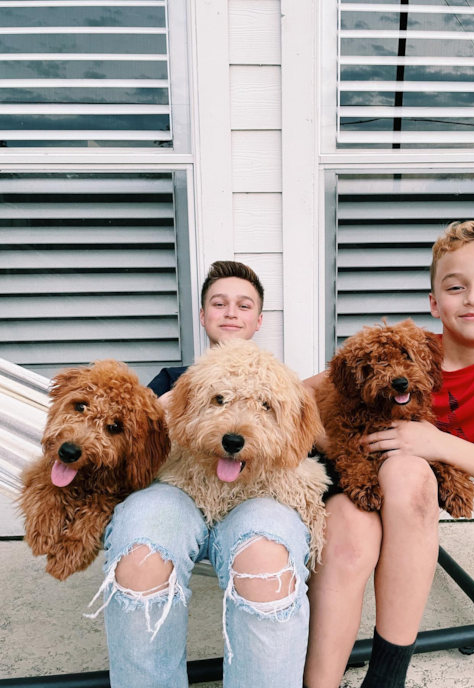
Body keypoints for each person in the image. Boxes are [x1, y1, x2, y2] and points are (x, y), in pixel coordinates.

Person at [302, 221, 474, 688]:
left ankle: (386, 678)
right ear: (435, 302)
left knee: (410, 472)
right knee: (350, 541)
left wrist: (438, 444)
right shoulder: (403, 352)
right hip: (345, 474)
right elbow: (297, 397)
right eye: (456, 287)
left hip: (412, 487)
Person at [91, 261, 312, 688]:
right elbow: (122, 446)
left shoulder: (283, 386)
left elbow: (300, 451)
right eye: (219, 303)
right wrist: (166, 406)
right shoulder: (172, 380)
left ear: (258, 320)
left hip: (258, 497)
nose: (231, 312)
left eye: (243, 305)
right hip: (176, 493)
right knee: (140, 558)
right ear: (203, 315)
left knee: (267, 568)